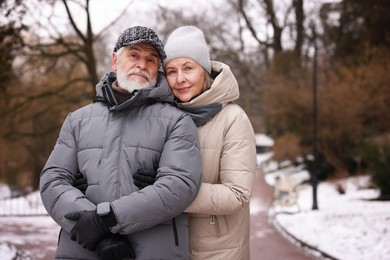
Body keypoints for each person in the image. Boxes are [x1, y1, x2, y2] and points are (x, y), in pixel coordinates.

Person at [39, 26, 202, 260]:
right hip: (83, 248)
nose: (142, 64)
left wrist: (106, 219)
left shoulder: (177, 121)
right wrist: (97, 231)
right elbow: (53, 180)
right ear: (115, 61)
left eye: (151, 59)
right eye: (134, 55)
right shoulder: (78, 120)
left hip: (154, 250)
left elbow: (179, 184)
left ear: (158, 70)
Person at [139, 25, 256, 259]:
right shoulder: (163, 117)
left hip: (218, 249)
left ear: (204, 70)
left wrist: (167, 193)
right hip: (168, 244)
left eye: (188, 68)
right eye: (171, 71)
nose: (180, 79)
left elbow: (237, 194)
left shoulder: (233, 119)